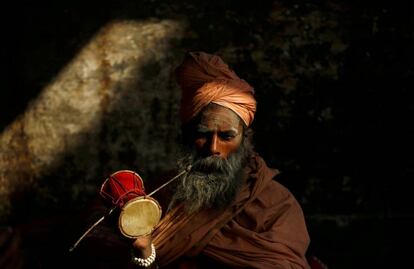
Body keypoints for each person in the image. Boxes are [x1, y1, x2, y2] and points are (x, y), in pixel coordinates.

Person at [129, 51, 311, 269]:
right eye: (202, 134)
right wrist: (144, 255)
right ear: (186, 136)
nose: (213, 148)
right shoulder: (159, 196)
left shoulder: (277, 204)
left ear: (246, 140)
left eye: (227, 136)